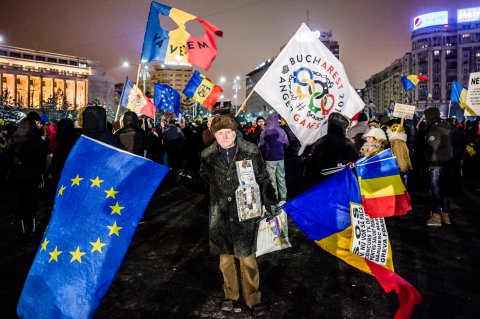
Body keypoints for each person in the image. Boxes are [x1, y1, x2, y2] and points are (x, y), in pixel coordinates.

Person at [177, 115, 277, 317]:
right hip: (220, 214)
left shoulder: (250, 150)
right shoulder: (208, 155)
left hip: (245, 213)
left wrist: (270, 201)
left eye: (228, 132)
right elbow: (205, 184)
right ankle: (230, 295)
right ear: (214, 135)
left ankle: (253, 297)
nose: (224, 136)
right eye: (220, 133)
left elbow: (263, 178)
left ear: (235, 133)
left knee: (247, 259)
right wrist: (186, 180)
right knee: (225, 261)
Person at [5, 118, 47, 237]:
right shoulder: (38, 141)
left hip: (17, 177)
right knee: (31, 204)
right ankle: (32, 228)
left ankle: (21, 230)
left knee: (19, 204)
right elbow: (42, 161)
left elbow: (6, 157)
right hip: (33, 177)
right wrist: (41, 174)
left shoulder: (14, 139)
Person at [307, 112, 358, 185]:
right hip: (341, 181)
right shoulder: (346, 143)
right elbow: (354, 163)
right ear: (342, 128)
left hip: (322, 182)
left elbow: (313, 163)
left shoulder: (319, 142)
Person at [423, 107, 453, 227]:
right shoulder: (446, 125)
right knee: (444, 190)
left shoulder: (434, 128)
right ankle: (445, 214)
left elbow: (432, 147)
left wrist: (425, 156)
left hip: (436, 164)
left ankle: (436, 216)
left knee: (436, 190)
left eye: (425, 117)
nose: (424, 119)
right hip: (447, 162)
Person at [258, 113, 289, 202]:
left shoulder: (265, 131)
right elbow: (286, 144)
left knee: (272, 180)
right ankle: (283, 198)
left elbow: (261, 145)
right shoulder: (281, 131)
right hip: (280, 157)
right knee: (281, 178)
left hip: (269, 158)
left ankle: (275, 198)